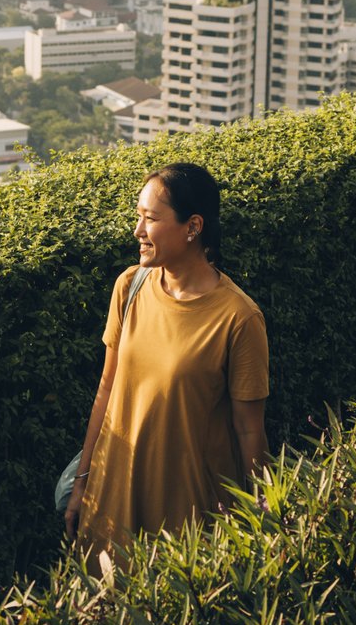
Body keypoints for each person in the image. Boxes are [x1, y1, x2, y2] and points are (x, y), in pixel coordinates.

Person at [65, 163, 269, 559]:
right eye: (138, 217)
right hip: (114, 495)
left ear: (193, 227)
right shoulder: (130, 286)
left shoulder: (239, 318)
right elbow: (106, 389)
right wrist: (82, 482)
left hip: (190, 513)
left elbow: (249, 431)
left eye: (150, 219)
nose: (137, 231)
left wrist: (260, 516)